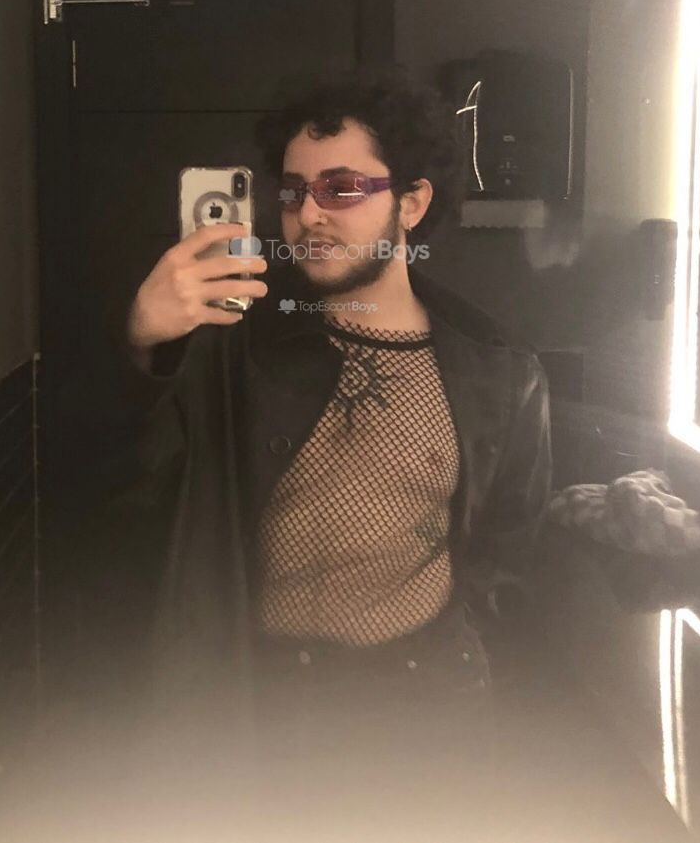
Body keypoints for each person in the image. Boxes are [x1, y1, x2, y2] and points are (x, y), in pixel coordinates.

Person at [121, 70, 552, 838]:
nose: (308, 213)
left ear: (410, 203)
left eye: (341, 187)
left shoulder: (500, 371)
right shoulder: (236, 344)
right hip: (251, 710)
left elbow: (507, 551)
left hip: (423, 716)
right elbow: (135, 493)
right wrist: (144, 343)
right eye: (293, 191)